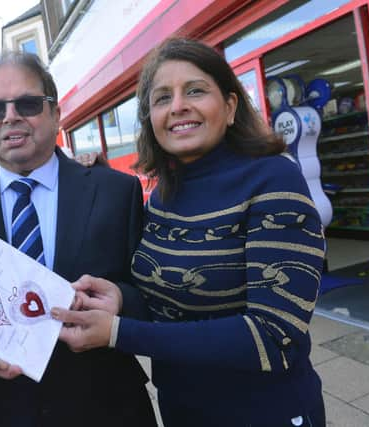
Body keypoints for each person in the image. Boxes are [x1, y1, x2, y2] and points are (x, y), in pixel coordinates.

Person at [52, 37, 326, 427]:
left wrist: (118, 332)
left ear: (230, 106)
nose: (178, 105)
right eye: (162, 98)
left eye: (195, 90)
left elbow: (273, 335)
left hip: (264, 412)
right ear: (151, 118)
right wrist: (120, 302)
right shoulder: (164, 192)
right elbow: (173, 304)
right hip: (182, 409)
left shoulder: (274, 179)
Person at [0, 50, 157, 427]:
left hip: (108, 408)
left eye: (27, 103)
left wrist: (121, 302)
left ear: (55, 112)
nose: (10, 116)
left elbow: (154, 301)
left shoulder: (116, 191)